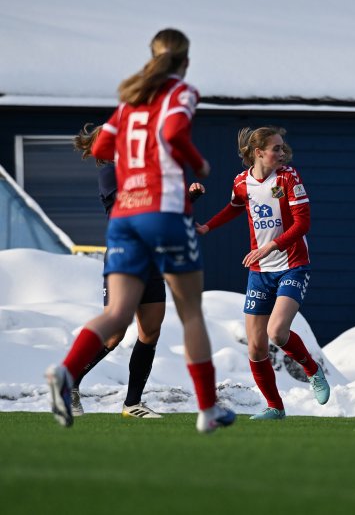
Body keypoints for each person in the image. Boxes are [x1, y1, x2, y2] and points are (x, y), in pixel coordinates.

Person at [45, 28, 235, 433]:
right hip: (159, 216)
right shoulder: (179, 93)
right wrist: (196, 162)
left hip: (126, 224)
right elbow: (172, 134)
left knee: (121, 317)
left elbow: (99, 149)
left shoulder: (129, 101)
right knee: (191, 314)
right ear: (184, 60)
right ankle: (208, 409)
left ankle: (66, 373)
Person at [70, 124, 205, 419]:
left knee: (151, 331)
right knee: (115, 334)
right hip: (126, 259)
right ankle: (70, 382)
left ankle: (132, 404)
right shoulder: (110, 173)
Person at [195, 126, 330, 420]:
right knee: (256, 348)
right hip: (260, 272)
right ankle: (275, 407)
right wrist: (207, 227)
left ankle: (311, 369)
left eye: (283, 148)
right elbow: (234, 206)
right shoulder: (242, 182)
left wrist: (271, 247)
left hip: (292, 265)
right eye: (276, 149)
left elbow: (302, 224)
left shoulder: (288, 177)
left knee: (277, 333)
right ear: (258, 153)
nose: (282, 153)